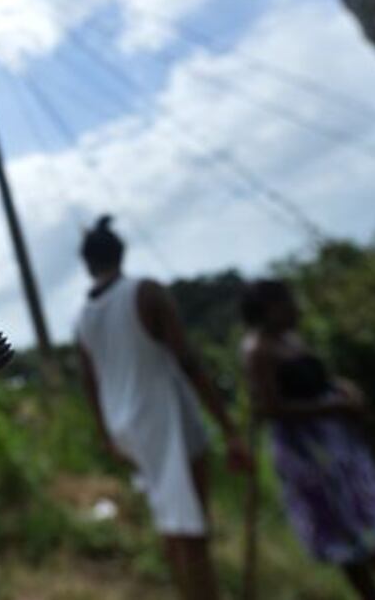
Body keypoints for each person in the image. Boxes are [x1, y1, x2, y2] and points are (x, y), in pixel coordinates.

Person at [74, 216, 251, 600]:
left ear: (87, 263)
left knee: (172, 527)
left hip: (129, 431)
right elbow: (187, 360)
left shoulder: (83, 318)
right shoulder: (146, 292)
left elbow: (91, 384)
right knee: (194, 534)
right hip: (169, 422)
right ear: (121, 253)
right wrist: (230, 429)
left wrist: (107, 435)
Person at [240, 279, 375, 600]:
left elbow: (316, 381)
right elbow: (271, 407)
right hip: (312, 459)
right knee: (349, 540)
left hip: (341, 449)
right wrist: (335, 405)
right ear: (268, 309)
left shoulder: (290, 338)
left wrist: (344, 389)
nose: (296, 308)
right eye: (287, 303)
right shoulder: (258, 350)